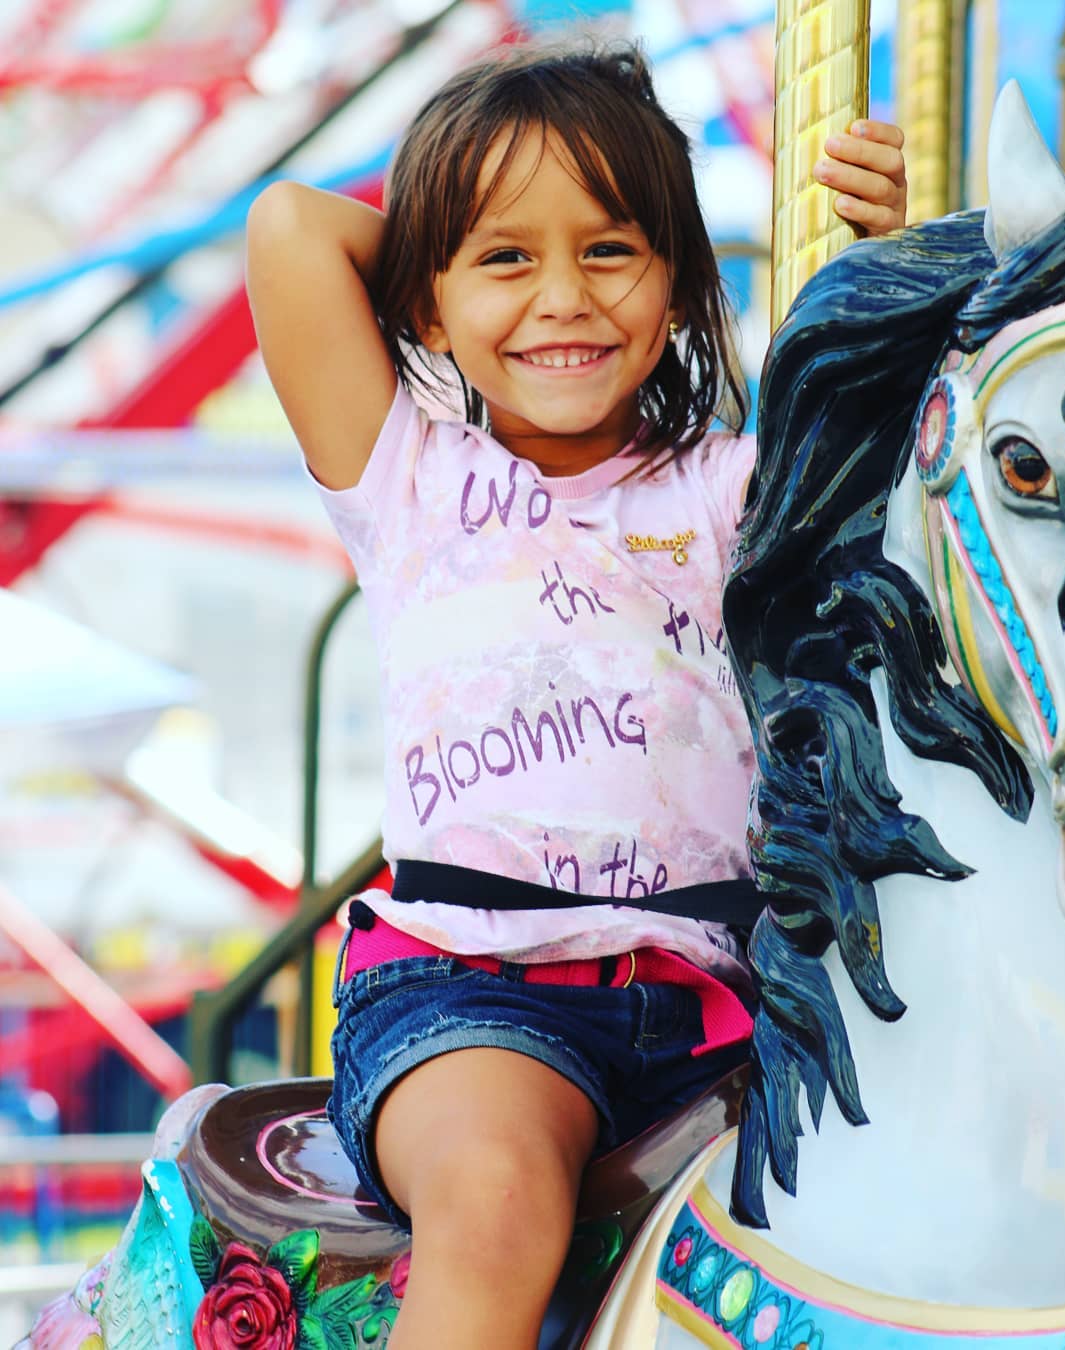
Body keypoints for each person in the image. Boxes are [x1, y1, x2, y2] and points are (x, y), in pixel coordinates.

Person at [246, 42, 907, 1349]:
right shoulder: (409, 474)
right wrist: (443, 261)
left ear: (679, 281)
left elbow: (911, 452)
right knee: (495, 1200)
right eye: (508, 259)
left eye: (611, 252)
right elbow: (288, 228)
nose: (563, 297)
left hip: (728, 1006)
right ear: (423, 304)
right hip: (471, 993)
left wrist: (887, 268)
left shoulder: (736, 489)